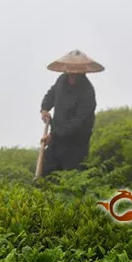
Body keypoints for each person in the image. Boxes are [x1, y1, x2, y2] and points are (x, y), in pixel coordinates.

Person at [39, 49, 104, 177]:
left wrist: (52, 135)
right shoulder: (61, 80)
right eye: (70, 74)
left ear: (83, 73)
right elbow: (51, 94)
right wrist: (44, 108)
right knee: (46, 173)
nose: (72, 77)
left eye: (77, 75)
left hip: (75, 145)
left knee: (71, 178)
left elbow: (76, 125)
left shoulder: (87, 93)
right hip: (56, 141)